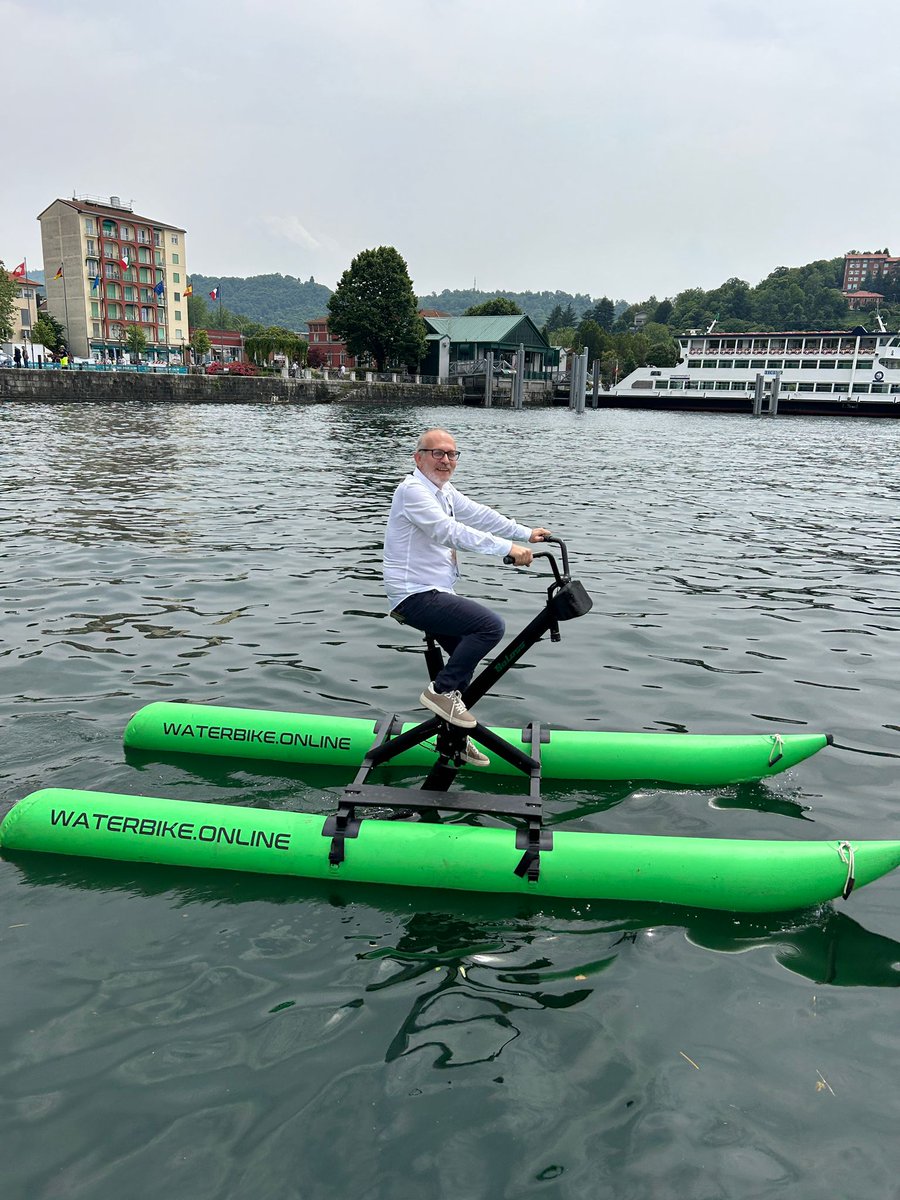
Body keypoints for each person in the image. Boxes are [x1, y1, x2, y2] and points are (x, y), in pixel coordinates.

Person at [383, 428, 551, 767]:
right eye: (437, 453)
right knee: (489, 627)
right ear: (419, 458)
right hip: (413, 595)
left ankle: (452, 736)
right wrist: (507, 548)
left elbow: (477, 513)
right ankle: (440, 693)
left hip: (434, 591)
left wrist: (524, 533)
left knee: (465, 656)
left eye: (451, 454)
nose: (445, 460)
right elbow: (449, 531)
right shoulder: (414, 491)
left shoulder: (442, 490)